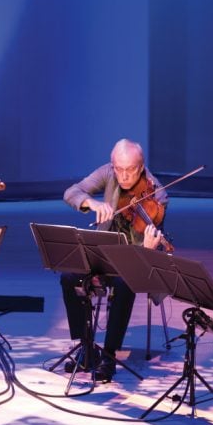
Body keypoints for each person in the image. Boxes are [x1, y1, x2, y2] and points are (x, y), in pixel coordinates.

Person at [61, 139, 168, 381]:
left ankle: (108, 356)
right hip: (104, 254)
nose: (124, 176)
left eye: (130, 170)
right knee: (69, 278)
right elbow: (71, 192)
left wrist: (149, 248)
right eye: (119, 169)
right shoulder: (109, 172)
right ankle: (85, 347)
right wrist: (92, 202)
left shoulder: (158, 195)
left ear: (141, 167)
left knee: (123, 284)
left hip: (136, 260)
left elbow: (153, 251)